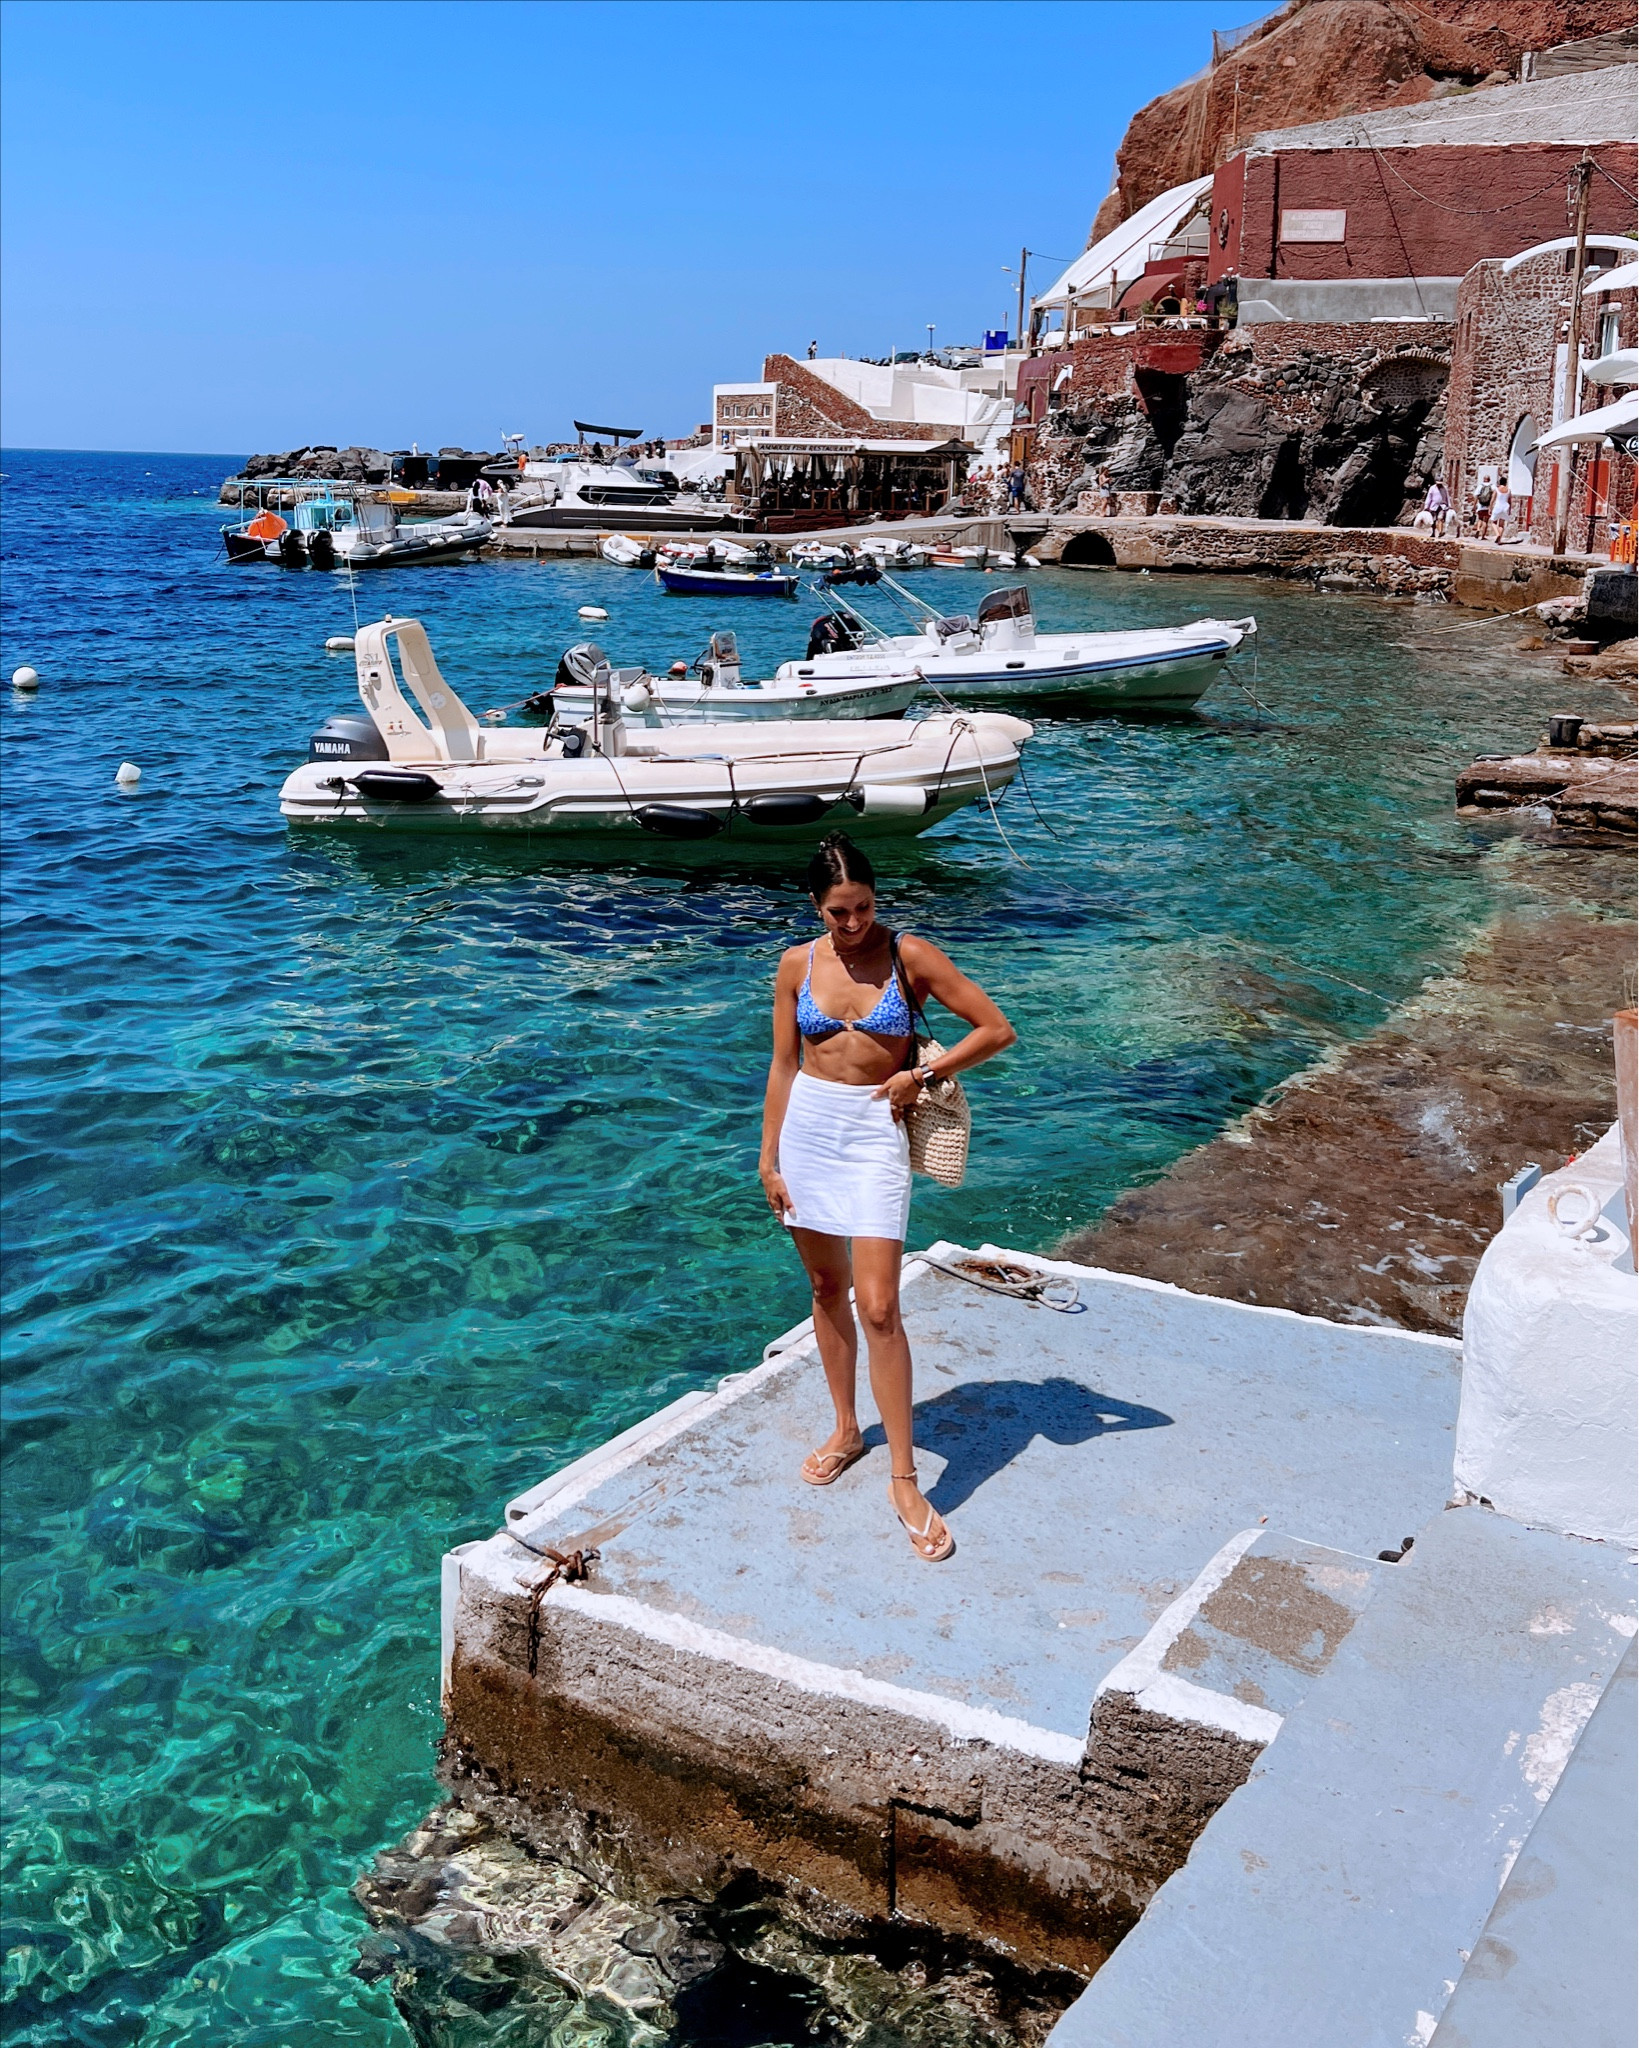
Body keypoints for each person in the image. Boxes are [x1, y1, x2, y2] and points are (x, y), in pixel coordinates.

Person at [759, 834, 1016, 1562]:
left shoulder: (910, 956)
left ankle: (904, 1478)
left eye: (863, 908)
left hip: (875, 1131)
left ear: (877, 898)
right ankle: (845, 1428)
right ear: (815, 906)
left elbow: (995, 1028)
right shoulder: (794, 964)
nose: (852, 924)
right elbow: (781, 1064)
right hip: (807, 1131)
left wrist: (919, 1079)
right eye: (838, 912)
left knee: (878, 1305)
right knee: (822, 1285)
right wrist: (768, 1158)